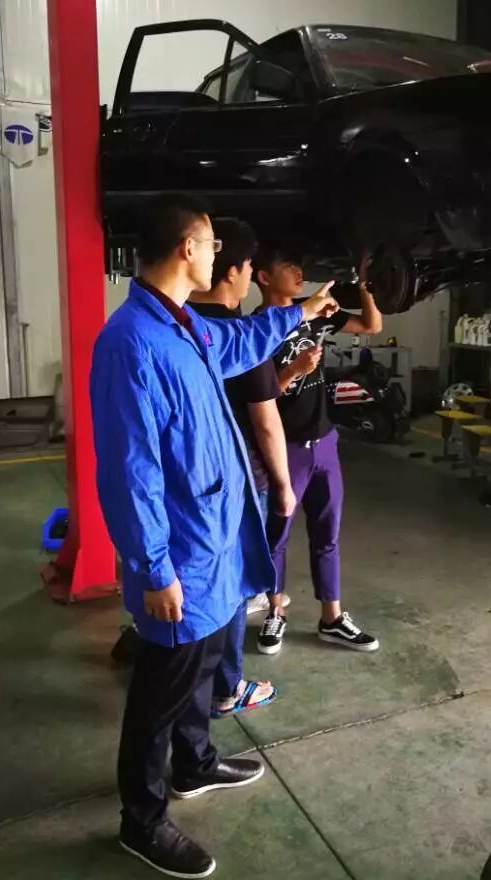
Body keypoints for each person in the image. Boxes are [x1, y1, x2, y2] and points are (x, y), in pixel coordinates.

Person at [89, 193, 338, 879]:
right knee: (160, 691)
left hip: (211, 540)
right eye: (210, 244)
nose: (217, 256)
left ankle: (194, 762)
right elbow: (130, 470)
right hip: (179, 554)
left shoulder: (183, 324)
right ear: (186, 249)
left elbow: (236, 345)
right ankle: (141, 821)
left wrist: (298, 313)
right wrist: (153, 568)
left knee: (201, 665)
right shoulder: (131, 342)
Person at [253, 242, 383, 656]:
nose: (298, 271)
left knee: (327, 534)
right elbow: (261, 398)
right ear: (264, 277)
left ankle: (332, 618)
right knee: (277, 535)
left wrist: (364, 286)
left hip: (325, 443)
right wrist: (295, 369)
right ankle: (276, 611)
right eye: (287, 265)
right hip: (286, 449)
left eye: (299, 264)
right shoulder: (258, 329)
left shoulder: (312, 313)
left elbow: (371, 326)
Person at [190, 217, 295, 718]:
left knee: (197, 575)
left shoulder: (177, 322)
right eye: (250, 266)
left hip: (189, 479)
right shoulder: (241, 334)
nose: (251, 275)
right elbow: (266, 422)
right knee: (230, 584)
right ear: (232, 270)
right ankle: (226, 688)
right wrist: (283, 484)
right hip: (238, 480)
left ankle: (194, 676)